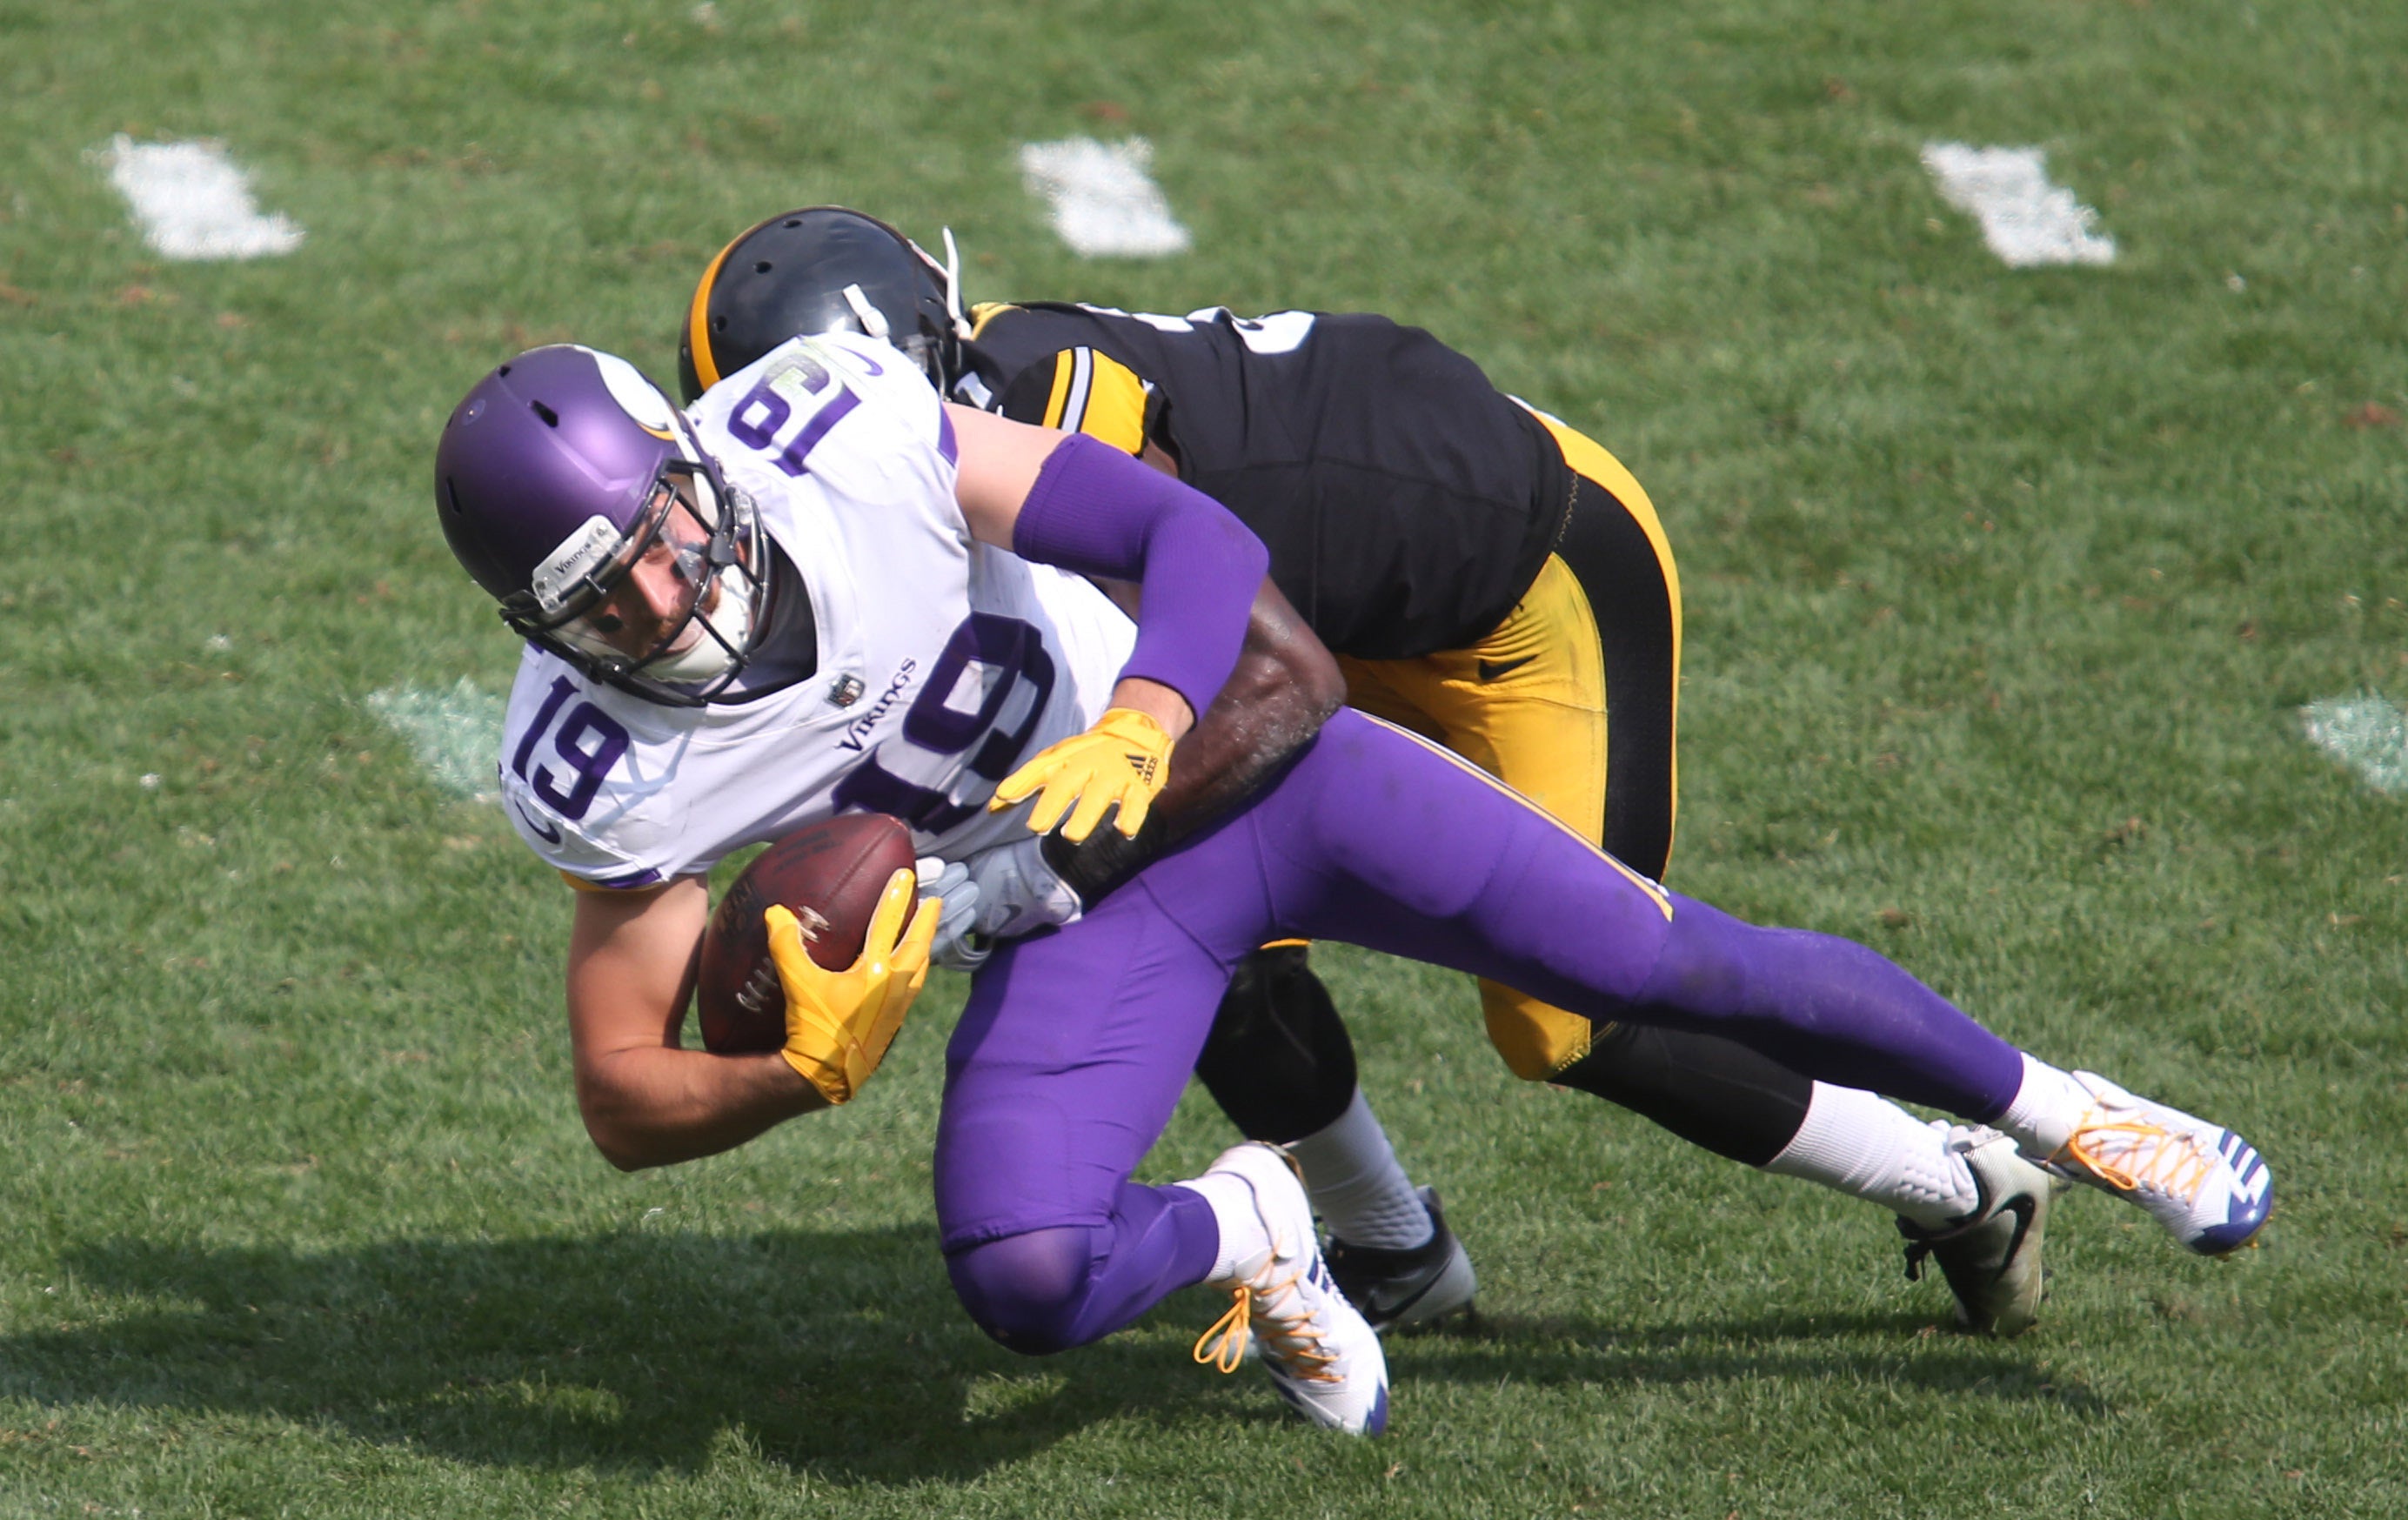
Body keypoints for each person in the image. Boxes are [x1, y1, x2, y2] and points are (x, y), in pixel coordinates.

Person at [432, 333, 2271, 1435]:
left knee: (1649, 960)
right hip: (1070, 912)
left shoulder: (833, 428)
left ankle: (2080, 1113)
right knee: (1022, 1275)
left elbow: (1193, 532)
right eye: (607, 597)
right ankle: (1254, 1221)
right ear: (538, 623)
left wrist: (1147, 716)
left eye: (664, 541)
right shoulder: (597, 760)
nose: (665, 601)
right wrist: (800, 1070)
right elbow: (620, 1093)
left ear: (694, 466)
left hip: (1251, 778)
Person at [674, 209, 2043, 1336]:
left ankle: (1965, 1180)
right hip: (1298, 639)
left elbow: (1195, 611)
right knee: (1179, 910)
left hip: (1508, 594)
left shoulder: (1041, 406)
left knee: (1571, 1012)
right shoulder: (905, 460)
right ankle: (1396, 1249)